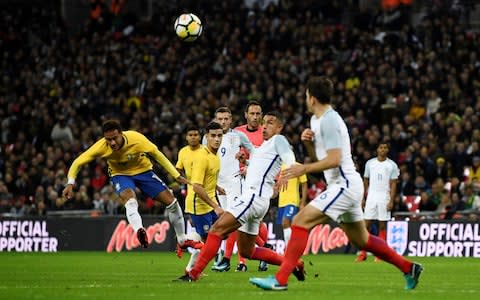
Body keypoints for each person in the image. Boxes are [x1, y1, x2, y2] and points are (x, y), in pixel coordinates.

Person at [250, 76, 423, 291]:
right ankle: (408, 268)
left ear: (312, 99)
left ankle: (280, 279)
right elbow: (322, 161)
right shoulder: (316, 121)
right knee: (362, 240)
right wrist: (309, 145)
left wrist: (303, 168)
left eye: (306, 95)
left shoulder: (330, 121)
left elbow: (334, 160)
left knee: (299, 221)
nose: (305, 99)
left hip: (345, 184)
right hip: (342, 184)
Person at [177, 111, 305, 282]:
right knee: (247, 251)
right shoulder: (263, 148)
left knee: (216, 230)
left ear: (280, 127)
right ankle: (293, 264)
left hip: (251, 198)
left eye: (271, 123)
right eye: (264, 122)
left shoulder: (278, 140)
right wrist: (246, 163)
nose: (265, 125)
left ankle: (193, 274)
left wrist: (288, 172)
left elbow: (289, 157)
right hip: (259, 202)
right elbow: (261, 167)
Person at [62, 119, 199, 250]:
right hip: (120, 175)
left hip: (144, 171)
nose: (112, 142)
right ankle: (139, 230)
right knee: (130, 199)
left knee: (172, 202)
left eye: (115, 138)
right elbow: (78, 162)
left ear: (122, 134)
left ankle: (182, 240)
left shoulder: (136, 139)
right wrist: (70, 183)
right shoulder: (101, 146)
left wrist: (176, 175)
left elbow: (158, 155)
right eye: (108, 139)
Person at [207, 107, 255, 272]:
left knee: (234, 220)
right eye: (220, 119)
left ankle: (235, 261)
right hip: (219, 186)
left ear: (231, 119)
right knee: (226, 222)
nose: (223, 122)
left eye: (226, 119)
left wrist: (248, 165)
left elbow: (255, 152)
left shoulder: (238, 136)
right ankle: (265, 247)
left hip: (235, 184)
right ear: (216, 119)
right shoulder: (209, 138)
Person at [223, 101, 269, 272]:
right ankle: (240, 261)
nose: (255, 117)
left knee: (255, 222)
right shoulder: (237, 134)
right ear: (246, 114)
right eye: (252, 114)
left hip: (260, 183)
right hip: (238, 182)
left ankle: (259, 256)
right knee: (238, 218)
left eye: (258, 114)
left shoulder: (266, 133)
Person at [175, 122, 224, 277]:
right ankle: (186, 245)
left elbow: (206, 179)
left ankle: (191, 265)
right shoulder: (202, 157)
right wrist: (215, 205)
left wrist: (216, 187)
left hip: (208, 204)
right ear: (207, 137)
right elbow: (196, 186)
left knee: (215, 238)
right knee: (211, 242)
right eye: (213, 136)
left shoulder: (214, 156)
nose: (217, 139)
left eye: (219, 136)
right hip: (199, 205)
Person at [356, 141, 399, 262]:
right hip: (371, 197)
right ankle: (362, 253)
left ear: (387, 150)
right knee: (366, 226)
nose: (383, 150)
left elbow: (394, 184)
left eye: (385, 148)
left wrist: (391, 200)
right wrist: (363, 198)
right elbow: (365, 181)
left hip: (384, 197)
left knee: (382, 226)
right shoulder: (370, 163)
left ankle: (380, 254)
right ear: (377, 150)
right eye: (381, 147)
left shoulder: (392, 165)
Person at [175, 125, 205, 258]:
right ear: (187, 137)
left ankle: (183, 243)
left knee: (207, 233)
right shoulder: (183, 152)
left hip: (209, 195)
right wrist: (182, 181)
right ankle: (185, 245)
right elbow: (178, 171)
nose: (193, 137)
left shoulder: (205, 151)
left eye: (196, 135)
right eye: (190, 135)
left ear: (200, 137)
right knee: (204, 232)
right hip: (192, 197)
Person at [273, 162, 308, 246]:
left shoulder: (298, 166)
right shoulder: (279, 168)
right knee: (286, 225)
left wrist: (303, 202)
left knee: (286, 222)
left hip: (292, 201)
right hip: (281, 202)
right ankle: (291, 249)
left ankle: (288, 250)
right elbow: (277, 187)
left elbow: (304, 185)